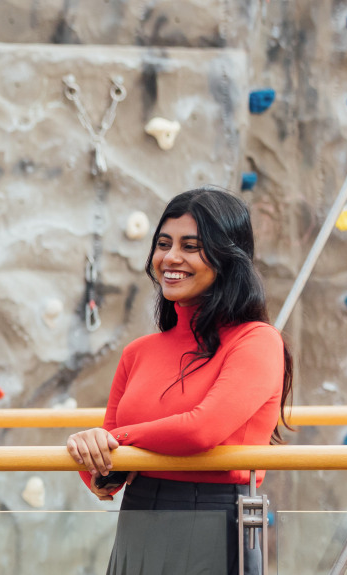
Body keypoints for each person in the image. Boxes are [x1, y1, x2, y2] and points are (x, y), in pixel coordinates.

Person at [66, 187, 294, 575]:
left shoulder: (257, 341)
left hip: (213, 518)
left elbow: (202, 431)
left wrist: (116, 440)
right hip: (136, 516)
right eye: (163, 243)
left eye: (191, 246)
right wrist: (93, 453)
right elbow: (103, 479)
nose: (170, 258)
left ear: (227, 258)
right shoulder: (138, 351)